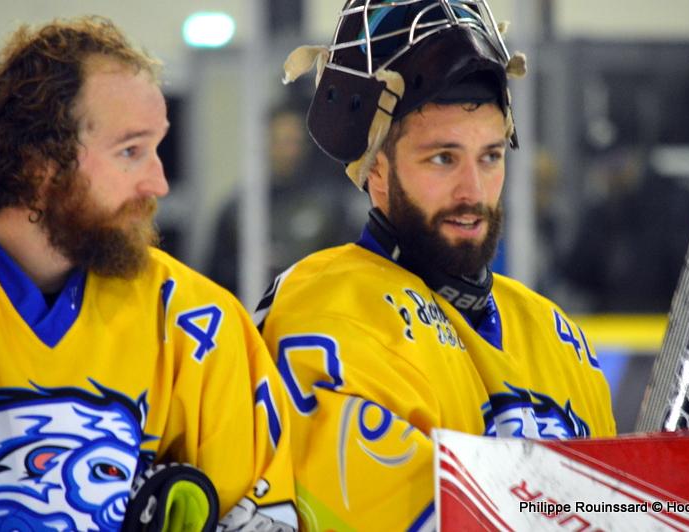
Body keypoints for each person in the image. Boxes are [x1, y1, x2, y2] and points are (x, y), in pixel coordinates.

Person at [256, 1, 616, 530]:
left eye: (490, 156)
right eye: (443, 158)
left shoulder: (558, 338)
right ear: (377, 170)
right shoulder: (328, 314)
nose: (473, 190)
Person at [0, 16, 296, 531]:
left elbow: (263, 515)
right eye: (130, 151)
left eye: (156, 148)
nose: (159, 183)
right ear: (40, 164)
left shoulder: (197, 320)